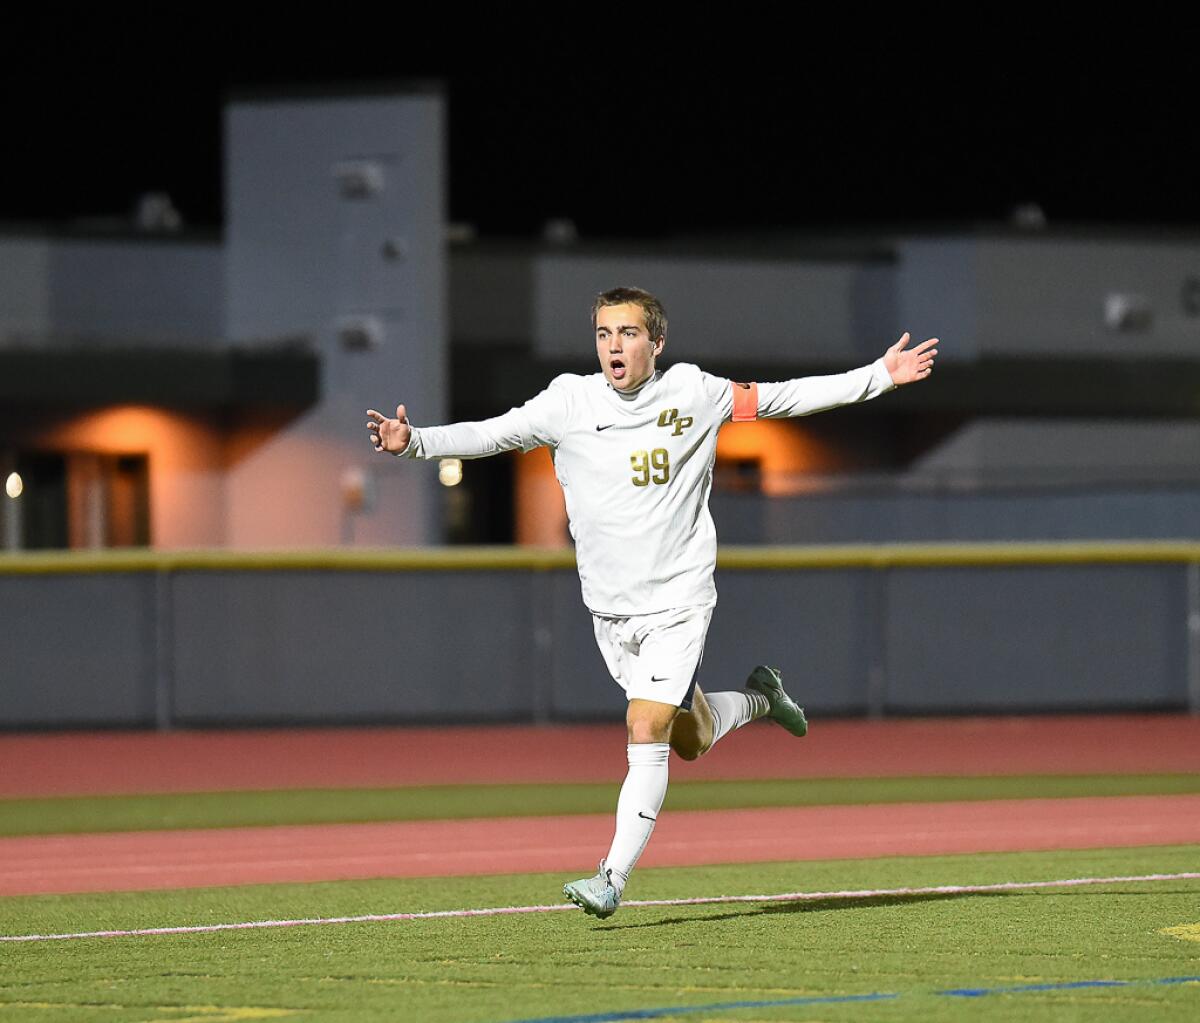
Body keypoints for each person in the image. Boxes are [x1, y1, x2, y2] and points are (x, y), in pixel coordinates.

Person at [367, 286, 937, 919]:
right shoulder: (568, 401)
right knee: (691, 737)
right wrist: (414, 441)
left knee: (645, 726)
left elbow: (786, 396)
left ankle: (610, 878)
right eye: (604, 333)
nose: (614, 346)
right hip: (610, 611)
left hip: (678, 600)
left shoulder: (695, 392)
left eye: (629, 333)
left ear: (657, 343)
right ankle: (761, 698)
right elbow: (492, 434)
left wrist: (879, 376)